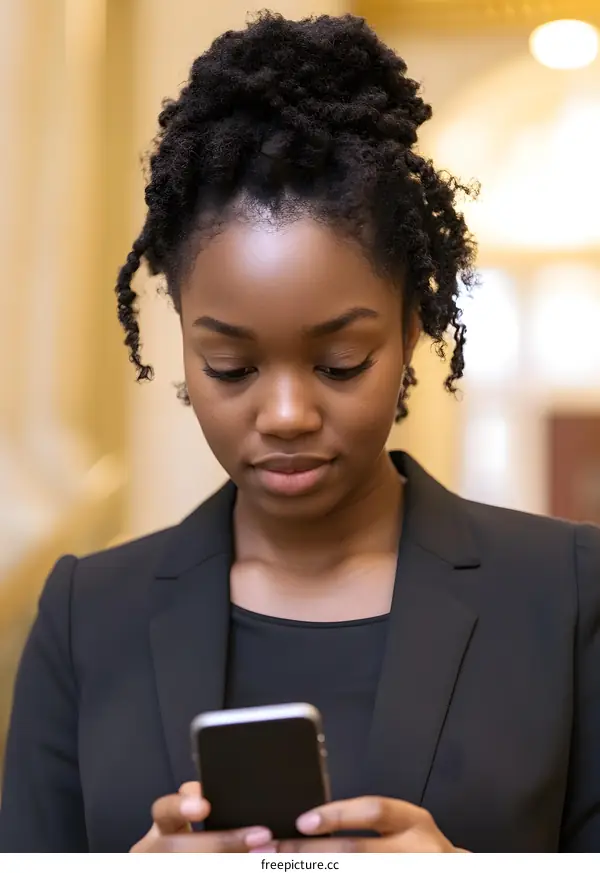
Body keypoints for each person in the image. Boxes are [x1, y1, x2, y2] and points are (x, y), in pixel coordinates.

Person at [0, 11, 599, 854]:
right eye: (231, 368)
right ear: (181, 336)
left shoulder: (566, 594)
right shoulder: (84, 618)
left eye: (341, 362)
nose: (285, 415)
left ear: (411, 328)